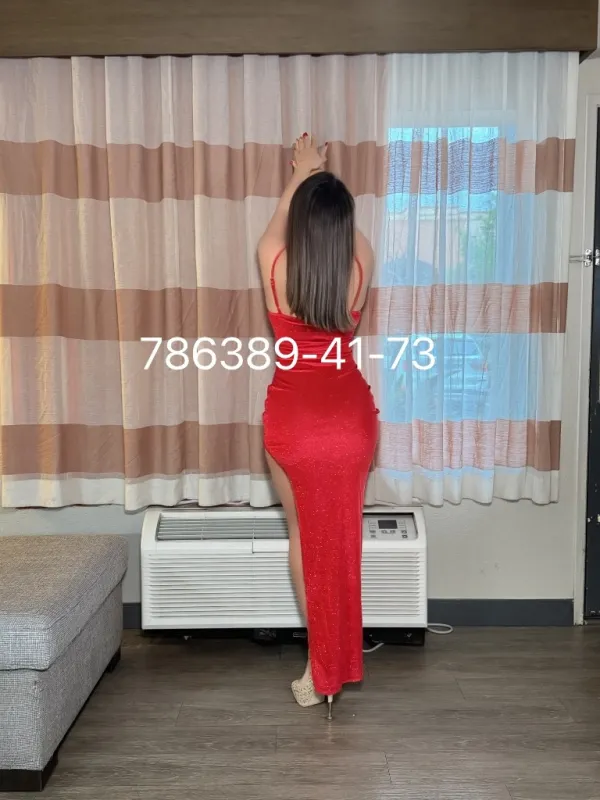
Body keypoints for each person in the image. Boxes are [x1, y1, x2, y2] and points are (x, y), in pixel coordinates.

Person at [258, 133, 379, 719]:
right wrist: (328, 191)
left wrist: (302, 174)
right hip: (351, 421)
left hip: (296, 421)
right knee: (343, 541)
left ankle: (318, 668)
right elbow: (345, 233)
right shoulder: (360, 263)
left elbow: (279, 224)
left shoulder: (275, 261)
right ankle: (333, 669)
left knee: (306, 538)